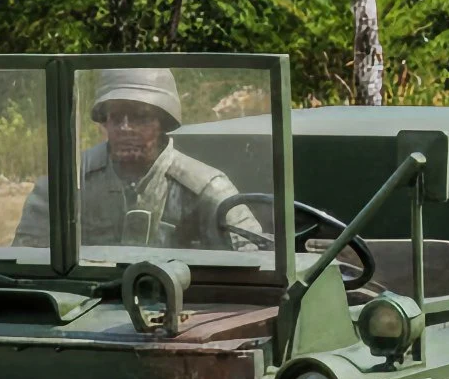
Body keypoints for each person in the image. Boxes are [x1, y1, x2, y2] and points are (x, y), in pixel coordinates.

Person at [13, 69, 262, 252]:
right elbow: (25, 262)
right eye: (116, 117)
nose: (125, 128)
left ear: (162, 123)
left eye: (140, 117)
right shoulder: (66, 185)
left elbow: (254, 264)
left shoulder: (207, 189)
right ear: (104, 121)